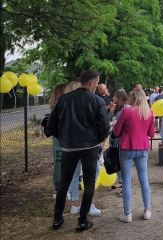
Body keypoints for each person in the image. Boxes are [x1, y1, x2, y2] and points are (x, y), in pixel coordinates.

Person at [45, 69, 110, 232]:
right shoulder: (97, 100)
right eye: (96, 83)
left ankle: (57, 219)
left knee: (64, 182)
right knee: (88, 183)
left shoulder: (62, 100)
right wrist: (99, 142)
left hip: (69, 147)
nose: (96, 85)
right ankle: (82, 221)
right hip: (89, 147)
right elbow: (105, 126)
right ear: (92, 83)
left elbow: (50, 127)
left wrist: (64, 137)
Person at [113, 88, 155, 223]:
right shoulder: (149, 112)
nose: (128, 99)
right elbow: (152, 133)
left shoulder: (126, 111)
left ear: (135, 98)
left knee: (126, 180)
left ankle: (127, 213)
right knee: (144, 179)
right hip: (142, 148)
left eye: (130, 96)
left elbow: (116, 132)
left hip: (126, 147)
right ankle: (147, 210)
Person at [109, 90, 130, 192]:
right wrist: (110, 112)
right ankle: (121, 182)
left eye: (115, 96)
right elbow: (108, 120)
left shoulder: (126, 109)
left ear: (119, 98)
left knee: (122, 162)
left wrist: (114, 123)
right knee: (116, 161)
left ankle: (124, 185)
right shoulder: (117, 109)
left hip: (121, 139)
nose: (113, 98)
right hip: (114, 138)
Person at [48, 83, 66, 198]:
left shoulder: (55, 106)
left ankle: (59, 187)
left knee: (59, 162)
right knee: (59, 162)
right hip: (60, 138)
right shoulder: (60, 107)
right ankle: (58, 189)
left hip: (58, 138)